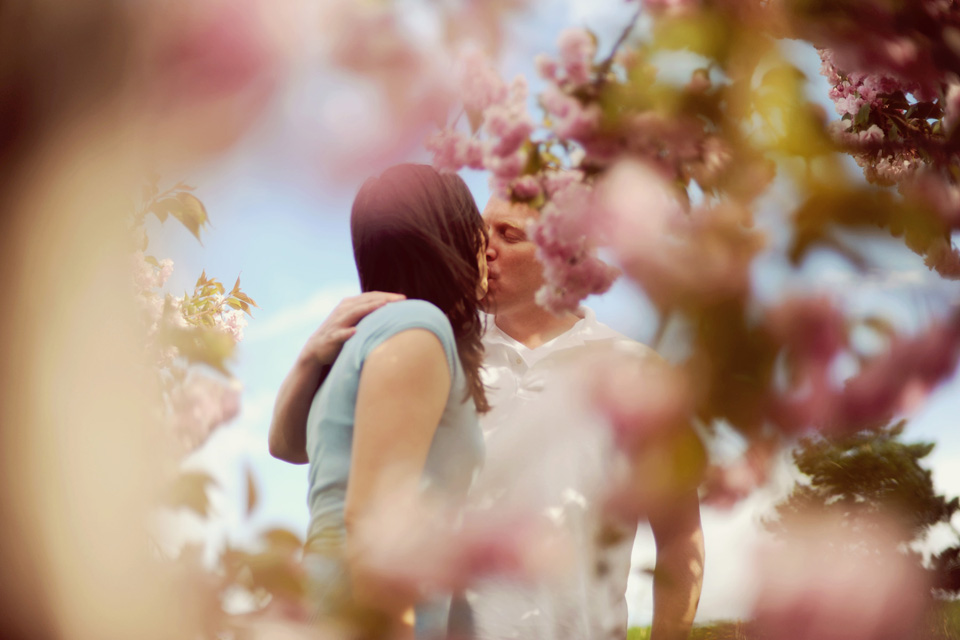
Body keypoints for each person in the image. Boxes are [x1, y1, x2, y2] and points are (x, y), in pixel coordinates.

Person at [270, 196, 704, 639]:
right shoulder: (437, 348)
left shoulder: (634, 372)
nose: (484, 247)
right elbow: (295, 446)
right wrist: (310, 357)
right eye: (482, 232)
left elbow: (679, 538)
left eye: (509, 234)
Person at [282, 163, 490, 639]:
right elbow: (374, 522)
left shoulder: (367, 337)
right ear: (451, 235)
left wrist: (307, 358)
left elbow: (288, 446)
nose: (487, 247)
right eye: (478, 228)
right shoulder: (417, 328)